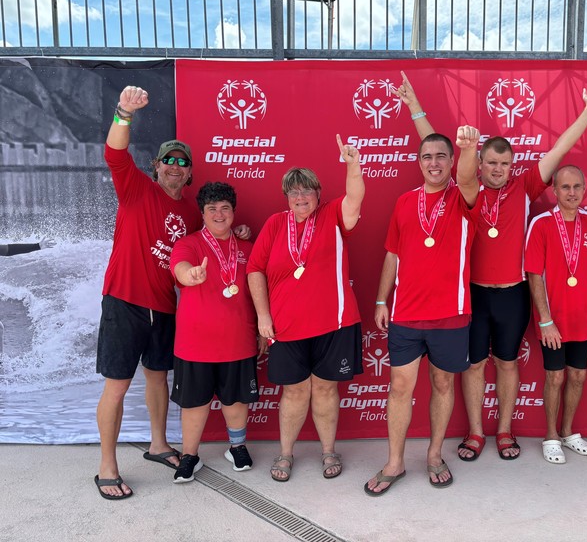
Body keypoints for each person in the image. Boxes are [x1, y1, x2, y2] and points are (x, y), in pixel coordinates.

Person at [394, 71, 587, 461]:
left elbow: (559, 152)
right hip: (472, 295)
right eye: (490, 162)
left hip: (512, 294)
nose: (496, 169)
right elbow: (437, 146)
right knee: (474, 366)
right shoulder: (464, 189)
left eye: (504, 163)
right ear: (480, 164)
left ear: (512, 165)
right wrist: (413, 107)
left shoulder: (525, 186)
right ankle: (476, 433)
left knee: (507, 365)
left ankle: (504, 430)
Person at [93, 86, 249, 500]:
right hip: (124, 301)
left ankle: (159, 445)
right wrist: (124, 112)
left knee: (158, 379)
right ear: (156, 166)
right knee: (117, 386)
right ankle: (107, 465)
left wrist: (241, 232)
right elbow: (114, 154)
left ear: (190, 172)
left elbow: (216, 236)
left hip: (164, 309)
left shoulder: (193, 213)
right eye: (169, 161)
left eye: (183, 162)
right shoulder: (137, 189)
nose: (176, 167)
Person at [364, 125, 480, 496]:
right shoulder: (404, 201)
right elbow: (392, 254)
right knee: (400, 387)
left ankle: (433, 455)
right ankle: (395, 461)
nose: (434, 163)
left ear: (451, 162)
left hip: (451, 314)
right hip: (406, 314)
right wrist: (382, 299)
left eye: (441, 156)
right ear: (418, 162)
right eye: (427, 156)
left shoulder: (465, 195)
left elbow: (467, 173)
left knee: (443, 384)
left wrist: (468, 147)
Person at [247, 136, 364, 483]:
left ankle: (329, 450)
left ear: (318, 193)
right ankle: (286, 454)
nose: (301, 198)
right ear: (286, 197)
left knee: (326, 389)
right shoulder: (274, 224)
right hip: (286, 327)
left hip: (335, 323)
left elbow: (355, 197)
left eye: (307, 191)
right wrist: (263, 317)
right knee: (295, 391)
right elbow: (255, 269)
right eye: (294, 192)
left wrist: (353, 165)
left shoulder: (333, 215)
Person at [170, 182, 266, 483]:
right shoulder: (189, 243)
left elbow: (260, 291)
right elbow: (180, 267)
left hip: (238, 342)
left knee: (236, 400)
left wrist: (265, 331)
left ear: (233, 212)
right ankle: (189, 456)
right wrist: (191, 274)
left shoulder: (249, 247)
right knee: (194, 403)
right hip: (194, 343)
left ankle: (237, 447)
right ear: (202, 213)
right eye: (212, 209)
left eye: (225, 208)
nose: (219, 214)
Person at [524, 166, 587, 464]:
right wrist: (545, 320)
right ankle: (550, 436)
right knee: (555, 377)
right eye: (565, 187)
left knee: (577, 375)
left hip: (582, 317)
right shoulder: (541, 223)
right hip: (553, 320)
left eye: (576, 186)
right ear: (554, 190)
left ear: (584, 188)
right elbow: (534, 276)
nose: (571, 192)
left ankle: (568, 432)